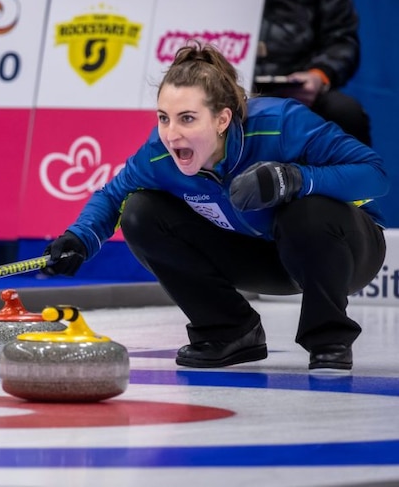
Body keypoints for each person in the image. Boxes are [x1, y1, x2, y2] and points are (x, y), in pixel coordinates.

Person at [42, 42, 387, 372]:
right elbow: (112, 196)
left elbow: (374, 175)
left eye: (187, 119)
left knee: (307, 211)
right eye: (164, 118)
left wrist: (295, 179)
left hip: (345, 252)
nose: (171, 134)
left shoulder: (281, 123)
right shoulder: (160, 154)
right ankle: (229, 330)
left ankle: (329, 339)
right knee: (140, 211)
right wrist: (79, 239)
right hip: (266, 258)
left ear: (222, 120)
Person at [165, 0, 372, 146]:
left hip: (297, 93)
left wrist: (318, 76)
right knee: (181, 115)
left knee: (346, 113)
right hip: (217, 92)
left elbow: (342, 38)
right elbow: (175, 38)